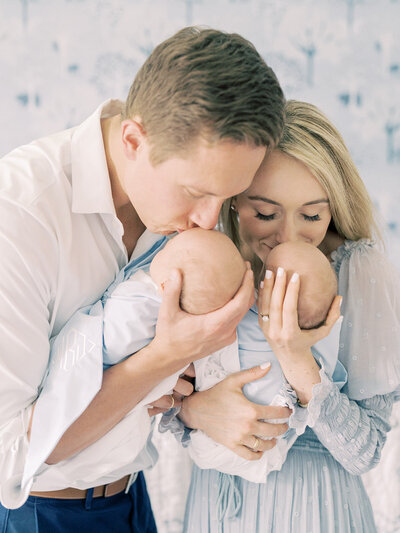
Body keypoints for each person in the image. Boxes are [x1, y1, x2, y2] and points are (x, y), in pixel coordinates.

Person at [0, 26, 286, 532]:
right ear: (133, 140)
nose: (207, 219)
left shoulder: (182, 208)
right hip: (39, 514)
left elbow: (159, 393)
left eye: (227, 198)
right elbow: (11, 455)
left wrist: (192, 402)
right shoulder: (21, 215)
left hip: (133, 499)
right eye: (197, 192)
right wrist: (166, 357)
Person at [180, 100, 400, 532]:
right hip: (215, 502)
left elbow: (367, 450)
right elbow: (165, 395)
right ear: (234, 201)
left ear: (333, 207)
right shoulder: (212, 262)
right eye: (265, 214)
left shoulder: (357, 270)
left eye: (312, 215)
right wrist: (194, 412)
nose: (289, 237)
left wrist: (297, 358)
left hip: (312, 508)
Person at [25, 228, 247, 489]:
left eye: (168, 252)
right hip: (57, 489)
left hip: (120, 479)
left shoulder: (141, 304)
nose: (158, 253)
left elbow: (110, 343)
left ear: (168, 285)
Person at [188, 240, 346, 483]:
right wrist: (189, 409)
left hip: (263, 449)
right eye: (266, 213)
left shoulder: (318, 346)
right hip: (218, 437)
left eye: (311, 215)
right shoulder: (227, 280)